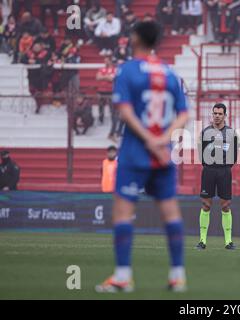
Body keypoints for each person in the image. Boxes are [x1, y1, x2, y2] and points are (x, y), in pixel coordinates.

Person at [95, 21, 190, 293]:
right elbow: (184, 114)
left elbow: (124, 111)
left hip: (136, 152)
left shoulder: (127, 70)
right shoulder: (170, 73)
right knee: (170, 212)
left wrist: (148, 139)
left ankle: (123, 277)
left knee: (124, 212)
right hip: (163, 153)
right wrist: (163, 139)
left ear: (135, 38)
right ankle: (178, 275)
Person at [196, 103, 238, 250]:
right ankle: (202, 241)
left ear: (225, 115)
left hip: (224, 171)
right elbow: (200, 153)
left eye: (220, 113)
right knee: (206, 205)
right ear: (212, 114)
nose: (217, 116)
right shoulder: (205, 133)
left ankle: (228, 241)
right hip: (208, 170)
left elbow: (234, 155)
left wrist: (225, 166)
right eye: (215, 113)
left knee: (225, 206)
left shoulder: (231, 134)